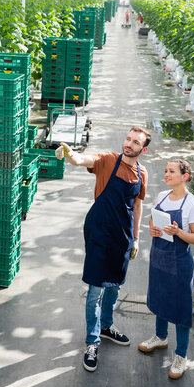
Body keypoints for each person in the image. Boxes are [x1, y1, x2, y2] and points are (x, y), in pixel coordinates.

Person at [56, 126, 150, 372]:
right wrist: (69, 153)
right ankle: (92, 341)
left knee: (115, 285)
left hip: (123, 236)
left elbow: (137, 206)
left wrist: (137, 238)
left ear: (143, 148)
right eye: (128, 139)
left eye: (135, 142)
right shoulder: (108, 160)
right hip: (99, 231)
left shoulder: (142, 173)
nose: (129, 144)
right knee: (96, 289)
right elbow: (82, 159)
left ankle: (107, 326)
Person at [138, 159, 194, 380]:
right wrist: (154, 229)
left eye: (171, 171)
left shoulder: (192, 205)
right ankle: (160, 337)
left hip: (179, 264)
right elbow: (151, 219)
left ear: (185, 176)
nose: (166, 174)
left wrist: (178, 233)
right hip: (158, 258)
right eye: (165, 171)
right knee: (159, 299)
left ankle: (181, 356)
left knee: (180, 308)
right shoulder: (162, 197)